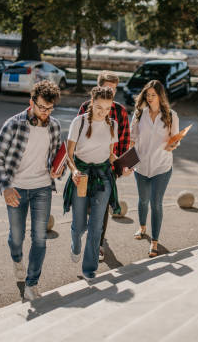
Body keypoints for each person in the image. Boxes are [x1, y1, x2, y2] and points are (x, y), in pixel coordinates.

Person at [0, 80, 64, 300]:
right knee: (16, 237)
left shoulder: (55, 126)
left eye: (49, 109)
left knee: (40, 238)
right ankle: (16, 258)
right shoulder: (14, 124)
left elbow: (57, 159)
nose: (45, 113)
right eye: (41, 107)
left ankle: (32, 284)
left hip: (42, 188)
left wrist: (59, 172)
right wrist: (5, 187)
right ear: (31, 102)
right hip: (16, 189)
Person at [64, 86, 132, 281]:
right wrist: (75, 170)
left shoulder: (113, 125)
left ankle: (89, 269)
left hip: (103, 176)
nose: (103, 112)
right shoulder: (79, 122)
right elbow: (69, 155)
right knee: (78, 225)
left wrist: (122, 167)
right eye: (99, 107)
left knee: (96, 226)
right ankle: (75, 243)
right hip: (82, 175)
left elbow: (111, 155)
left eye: (107, 108)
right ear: (91, 103)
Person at [77, 71, 130, 262]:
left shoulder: (120, 111)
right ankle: (88, 231)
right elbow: (78, 137)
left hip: (108, 167)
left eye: (115, 89)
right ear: (98, 88)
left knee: (102, 206)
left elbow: (124, 142)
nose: (112, 92)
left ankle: (98, 244)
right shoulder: (85, 107)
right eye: (108, 88)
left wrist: (121, 167)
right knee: (86, 206)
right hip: (85, 165)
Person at [130, 80, 179, 257]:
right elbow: (132, 141)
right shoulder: (138, 115)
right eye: (147, 95)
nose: (150, 98)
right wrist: (127, 164)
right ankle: (142, 227)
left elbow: (175, 139)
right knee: (143, 200)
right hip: (141, 167)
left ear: (160, 96)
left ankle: (155, 241)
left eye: (153, 95)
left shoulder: (171, 115)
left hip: (162, 167)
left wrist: (172, 146)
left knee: (156, 203)